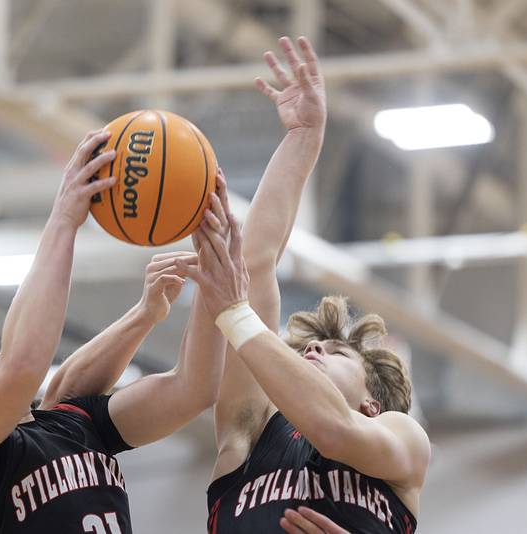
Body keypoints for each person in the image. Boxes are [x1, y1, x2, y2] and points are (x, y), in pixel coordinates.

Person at [0, 129, 229, 533]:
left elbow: (194, 388)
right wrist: (64, 219)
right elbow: (24, 363)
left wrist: (210, 267)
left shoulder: (73, 424)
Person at [176, 36, 431, 533]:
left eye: (335, 352)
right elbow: (256, 262)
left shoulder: (400, 438)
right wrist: (303, 137)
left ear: (372, 403)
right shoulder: (249, 430)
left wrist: (235, 314)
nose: (312, 350)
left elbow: (335, 431)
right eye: (310, 347)